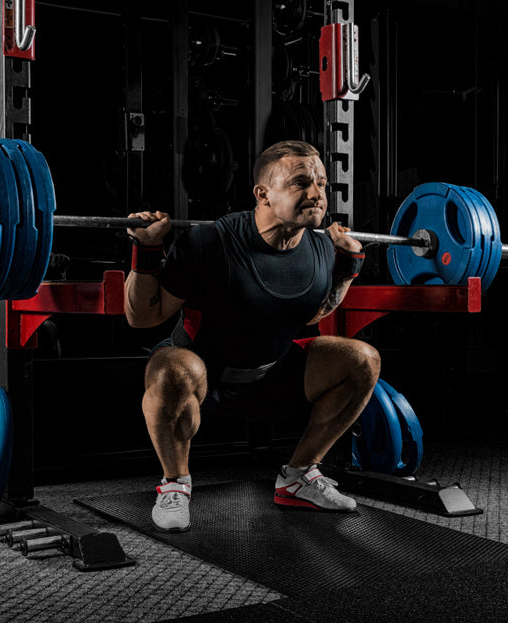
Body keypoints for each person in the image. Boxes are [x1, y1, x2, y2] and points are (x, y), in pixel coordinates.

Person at [123, 140, 381, 532]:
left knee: (362, 360)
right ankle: (175, 483)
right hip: (202, 377)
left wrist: (348, 268)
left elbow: (312, 312)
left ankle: (298, 478)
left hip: (270, 375)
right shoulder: (210, 241)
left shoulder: (318, 247)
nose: (316, 194)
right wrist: (147, 251)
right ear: (263, 193)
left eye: (321, 184)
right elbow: (143, 317)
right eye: (300, 183)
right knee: (171, 369)